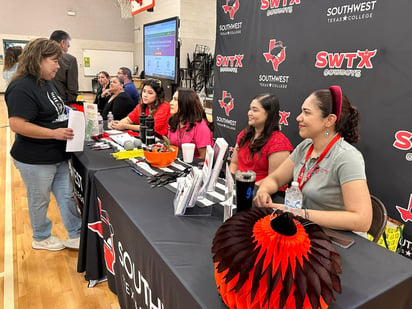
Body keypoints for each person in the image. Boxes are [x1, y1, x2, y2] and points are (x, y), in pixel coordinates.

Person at [254, 86, 372, 232]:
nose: (298, 118)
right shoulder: (305, 147)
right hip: (306, 230)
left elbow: (362, 220)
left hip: (336, 239)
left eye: (306, 113)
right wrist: (264, 191)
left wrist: (300, 214)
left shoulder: (347, 157)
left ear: (329, 120)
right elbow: (275, 179)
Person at [5, 38, 82, 251]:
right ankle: (41, 236)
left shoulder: (46, 81)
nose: (58, 66)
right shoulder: (21, 87)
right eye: (54, 61)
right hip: (35, 158)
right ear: (38, 60)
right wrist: (53, 133)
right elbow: (17, 124)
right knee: (40, 200)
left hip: (57, 155)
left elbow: (56, 109)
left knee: (67, 196)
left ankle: (75, 233)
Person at [229, 93, 293, 194]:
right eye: (250, 109)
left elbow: (275, 180)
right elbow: (234, 163)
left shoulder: (279, 143)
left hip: (261, 194)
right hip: (238, 189)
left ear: (269, 114)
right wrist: (231, 183)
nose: (249, 113)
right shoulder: (245, 134)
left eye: (255, 110)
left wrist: (247, 189)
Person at [168, 88, 214, 159]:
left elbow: (204, 158)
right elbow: (171, 147)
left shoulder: (201, 128)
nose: (171, 103)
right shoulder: (174, 121)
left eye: (175, 100)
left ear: (186, 103)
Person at [49, 30, 79, 103]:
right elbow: (73, 89)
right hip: (61, 102)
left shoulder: (41, 57)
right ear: (62, 43)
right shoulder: (70, 59)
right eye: (68, 45)